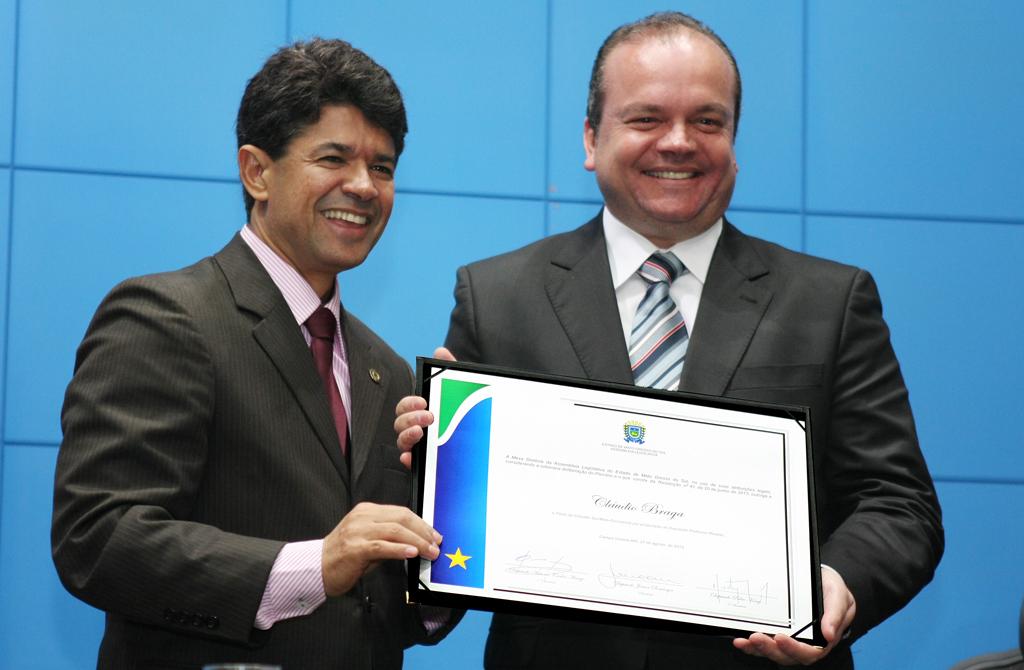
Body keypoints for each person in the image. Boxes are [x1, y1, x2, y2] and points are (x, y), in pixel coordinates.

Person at [395, 11, 943, 669]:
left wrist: (836, 585)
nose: (679, 142)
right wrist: (432, 471)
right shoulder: (498, 296)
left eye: (707, 121)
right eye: (646, 118)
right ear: (592, 138)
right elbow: (455, 537)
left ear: (734, 141)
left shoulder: (831, 302)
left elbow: (899, 504)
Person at [52, 38, 456, 669]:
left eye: (383, 167)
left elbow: (379, 611)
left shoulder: (387, 368)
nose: (363, 186)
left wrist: (455, 510)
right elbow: (100, 539)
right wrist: (313, 565)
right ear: (256, 171)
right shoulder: (166, 317)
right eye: (334, 158)